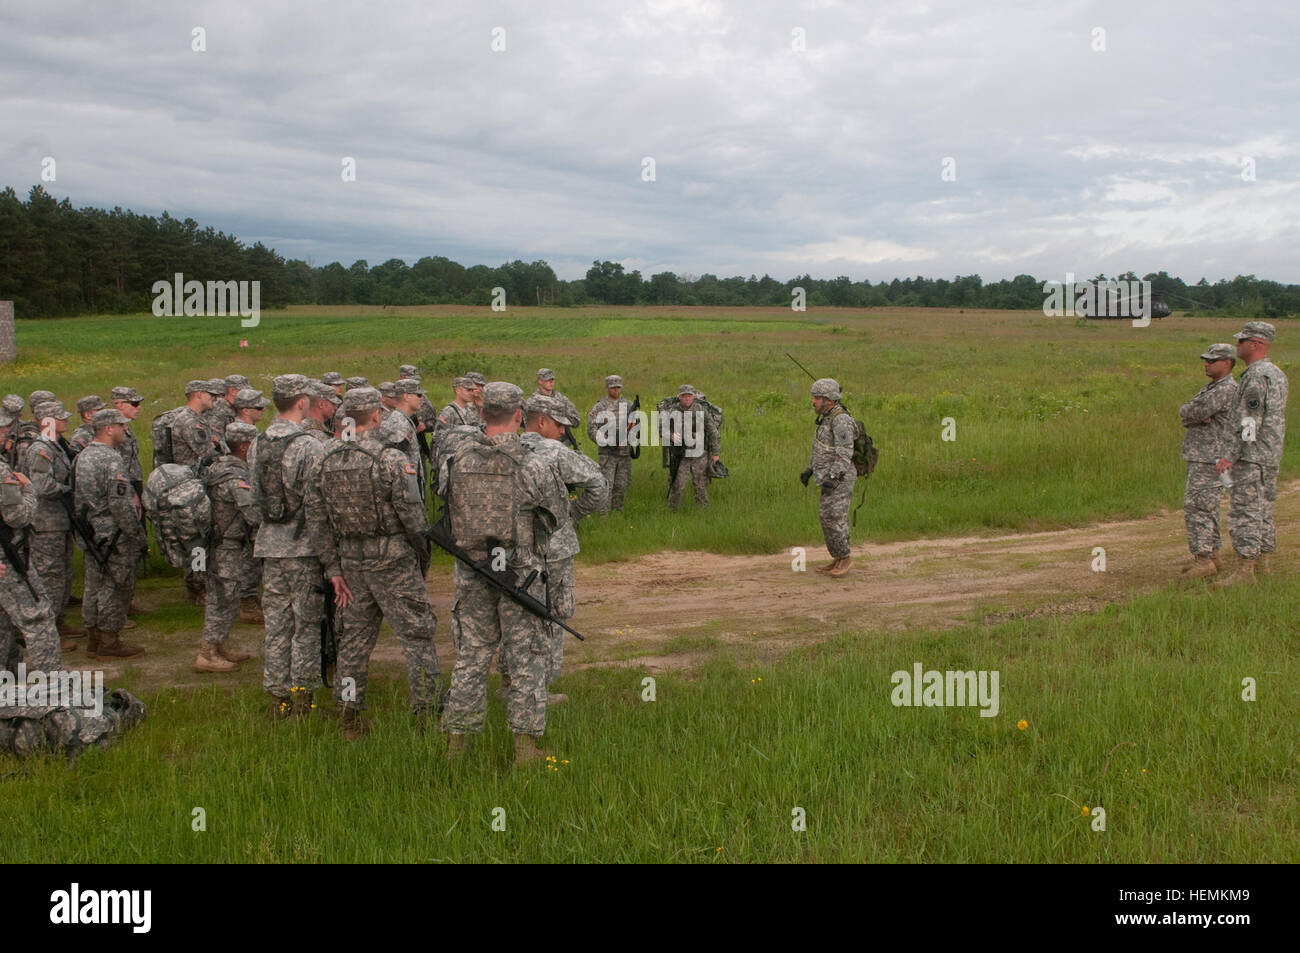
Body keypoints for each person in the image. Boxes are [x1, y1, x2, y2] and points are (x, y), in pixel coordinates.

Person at [440, 382, 567, 764]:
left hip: (473, 572)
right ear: (518, 416)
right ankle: (525, 749)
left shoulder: (457, 460)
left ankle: (455, 748)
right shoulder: (534, 464)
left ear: (481, 414)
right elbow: (556, 517)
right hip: (520, 576)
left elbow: (448, 508)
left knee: (471, 657)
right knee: (526, 658)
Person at [306, 387, 441, 739]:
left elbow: (317, 520)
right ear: (377, 416)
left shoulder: (323, 459)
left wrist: (332, 569)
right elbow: (413, 518)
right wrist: (421, 558)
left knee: (352, 642)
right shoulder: (390, 460)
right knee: (417, 636)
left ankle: (349, 716)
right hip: (393, 559)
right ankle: (428, 714)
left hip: (350, 561)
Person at [517, 394, 607, 704]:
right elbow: (598, 483)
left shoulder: (507, 447)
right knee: (553, 614)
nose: (563, 433)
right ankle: (540, 689)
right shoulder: (555, 452)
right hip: (553, 548)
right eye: (559, 425)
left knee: (516, 613)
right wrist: (574, 514)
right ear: (541, 421)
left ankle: (510, 682)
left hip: (511, 551)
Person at [249, 374, 326, 717]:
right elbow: (318, 503)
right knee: (306, 625)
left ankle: (276, 695)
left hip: (269, 545)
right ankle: (302, 696)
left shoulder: (257, 442)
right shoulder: (309, 445)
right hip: (303, 548)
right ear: (301, 402)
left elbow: (254, 498)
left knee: (276, 625)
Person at [1214, 321, 1289, 585]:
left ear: (1256, 344)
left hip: (1251, 456)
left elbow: (1249, 421)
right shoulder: (1277, 373)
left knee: (1244, 511)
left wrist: (1229, 456)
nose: (1237, 345)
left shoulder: (1256, 376)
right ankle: (1263, 564)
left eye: (1242, 341)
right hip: (1269, 455)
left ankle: (1245, 571)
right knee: (1263, 510)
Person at [73, 409, 147, 658]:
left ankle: (93, 639)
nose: (124, 430)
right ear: (108, 428)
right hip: (113, 533)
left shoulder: (83, 457)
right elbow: (120, 504)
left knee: (93, 584)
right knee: (116, 586)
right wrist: (135, 532)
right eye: (120, 426)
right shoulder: (111, 459)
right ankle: (109, 640)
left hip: (91, 531)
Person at [0, 408, 66, 673]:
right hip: (9, 558)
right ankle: (52, 686)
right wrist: (28, 491)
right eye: (2, 429)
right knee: (38, 618)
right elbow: (18, 516)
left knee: (4, 624)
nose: (6, 432)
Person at [196, 422, 261, 673]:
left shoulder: (218, 467)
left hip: (219, 543)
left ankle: (219, 645)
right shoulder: (235, 476)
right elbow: (252, 513)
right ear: (244, 446)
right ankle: (207, 653)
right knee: (222, 597)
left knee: (228, 595)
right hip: (227, 546)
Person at [21, 400, 80, 645]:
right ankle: (48, 634)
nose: (66, 420)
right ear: (48, 421)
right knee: (50, 577)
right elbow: (41, 485)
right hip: (46, 523)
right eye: (60, 417)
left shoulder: (54, 446)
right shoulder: (41, 450)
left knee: (64, 575)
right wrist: (68, 490)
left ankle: (58, 622)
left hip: (59, 521)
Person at [1179, 344, 1238, 578]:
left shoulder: (1224, 390)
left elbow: (1190, 412)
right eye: (1205, 359)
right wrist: (1192, 414)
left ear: (1227, 363)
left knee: (1198, 507)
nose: (1206, 363)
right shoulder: (1213, 388)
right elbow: (1190, 412)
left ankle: (1203, 560)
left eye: (1212, 361)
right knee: (1208, 506)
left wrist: (1193, 414)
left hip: (1209, 457)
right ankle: (1213, 556)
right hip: (1205, 456)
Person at [169, 380, 222, 603]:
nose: (214, 398)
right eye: (210, 394)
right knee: (196, 540)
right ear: (198, 394)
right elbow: (207, 453)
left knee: (203, 538)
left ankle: (201, 581)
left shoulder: (197, 419)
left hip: (199, 485)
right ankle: (197, 586)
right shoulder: (189, 421)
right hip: (191, 489)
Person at [802, 378, 857, 577]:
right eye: (814, 397)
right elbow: (822, 450)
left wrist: (833, 477)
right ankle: (837, 558)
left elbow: (845, 453)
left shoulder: (841, 420)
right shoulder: (826, 418)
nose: (813, 401)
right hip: (827, 478)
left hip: (840, 479)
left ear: (829, 399)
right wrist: (809, 470)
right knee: (826, 517)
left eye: (817, 398)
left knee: (836, 517)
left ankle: (846, 559)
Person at [663, 385, 721, 511]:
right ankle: (673, 511)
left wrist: (715, 453)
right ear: (680, 397)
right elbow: (662, 429)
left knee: (700, 485)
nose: (687, 398)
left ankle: (703, 512)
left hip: (700, 454)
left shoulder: (700, 410)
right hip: (681, 455)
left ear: (693, 397)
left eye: (689, 396)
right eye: (684, 396)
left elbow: (712, 431)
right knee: (677, 484)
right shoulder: (673, 411)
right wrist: (671, 435)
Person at [587, 374, 634, 511]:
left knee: (622, 484)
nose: (616, 390)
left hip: (625, 453)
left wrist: (631, 431)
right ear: (607, 388)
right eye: (613, 388)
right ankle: (603, 515)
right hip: (608, 454)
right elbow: (591, 429)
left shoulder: (628, 405)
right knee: (607, 485)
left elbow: (637, 425)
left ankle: (617, 512)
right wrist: (608, 441)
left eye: (618, 387)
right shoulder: (599, 407)